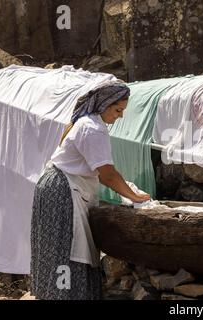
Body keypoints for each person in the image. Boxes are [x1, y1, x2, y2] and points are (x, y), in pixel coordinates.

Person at [30, 81, 150, 300]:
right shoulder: (92, 128)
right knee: (65, 251)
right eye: (117, 110)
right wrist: (134, 196)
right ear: (104, 104)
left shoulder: (87, 123)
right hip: (62, 191)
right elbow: (107, 174)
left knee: (60, 250)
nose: (120, 116)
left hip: (55, 187)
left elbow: (102, 172)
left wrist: (128, 191)